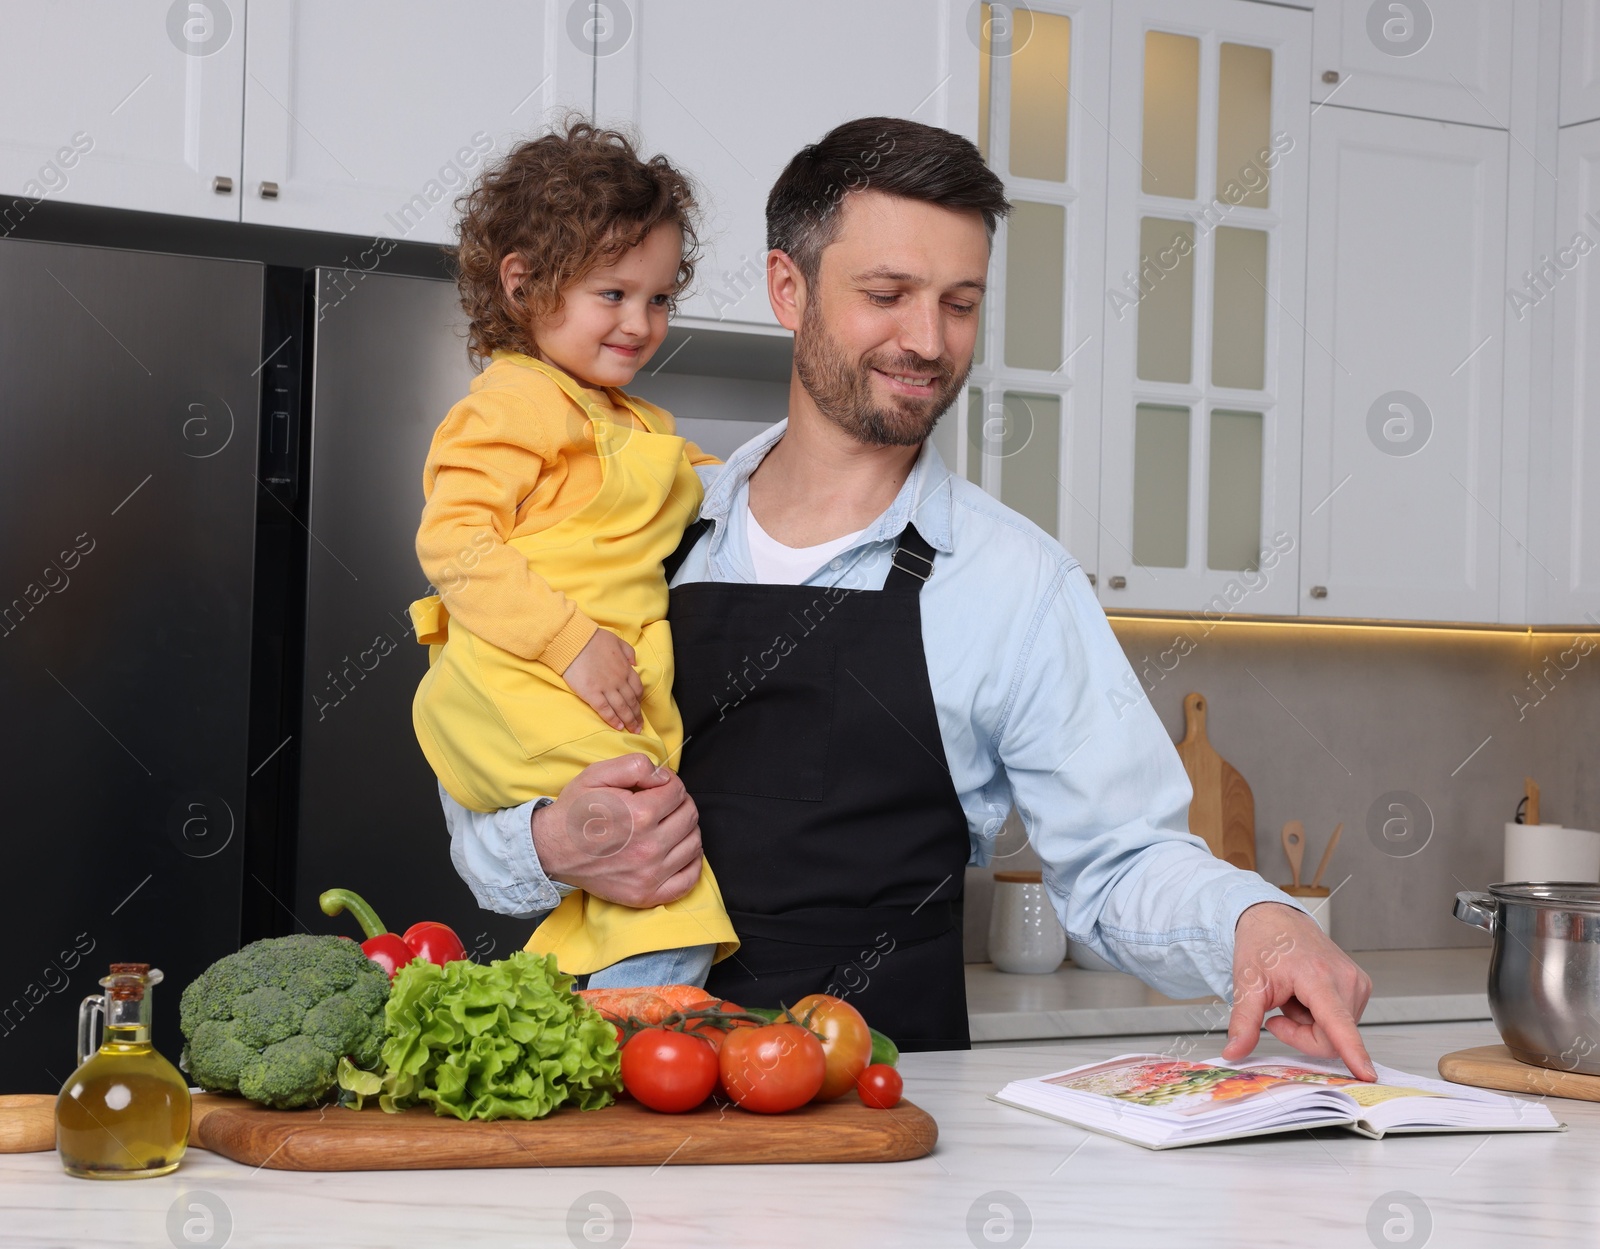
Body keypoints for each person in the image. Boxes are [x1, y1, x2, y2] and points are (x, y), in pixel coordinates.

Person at [439, 116, 1375, 1071]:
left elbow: (1121, 860)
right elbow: (484, 827)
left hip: (888, 1118)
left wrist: (1261, 925)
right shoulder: (641, 530)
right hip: (630, 1099)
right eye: (886, 294)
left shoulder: (1015, 582)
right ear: (787, 289)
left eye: (960, 303)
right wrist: (557, 841)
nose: (927, 341)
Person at [408, 120, 737, 990]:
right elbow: (454, 539)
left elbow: (714, 485)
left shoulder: (631, 421)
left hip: (587, 690)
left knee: (639, 860)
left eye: (660, 298)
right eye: (612, 293)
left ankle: (594, 1012)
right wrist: (574, 641)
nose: (640, 323)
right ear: (523, 283)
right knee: (656, 857)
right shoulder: (514, 401)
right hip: (527, 681)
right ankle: (639, 1025)